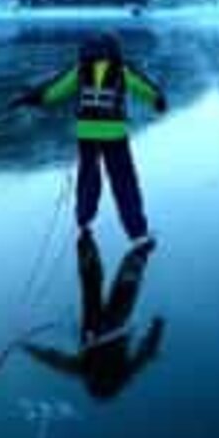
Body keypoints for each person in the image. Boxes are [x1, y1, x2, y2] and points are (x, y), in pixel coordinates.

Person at [12, 34, 167, 247]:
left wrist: (30, 98)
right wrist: (158, 100)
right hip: (115, 134)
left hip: (86, 134)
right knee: (124, 183)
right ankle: (137, 232)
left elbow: (54, 91)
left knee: (88, 178)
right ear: (113, 50)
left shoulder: (80, 70)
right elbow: (144, 88)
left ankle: (84, 220)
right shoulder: (121, 69)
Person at [23, 232, 165, 400]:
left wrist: (157, 327)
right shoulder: (87, 372)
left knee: (116, 288)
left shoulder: (119, 374)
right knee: (95, 289)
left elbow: (146, 353)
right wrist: (29, 349)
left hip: (111, 327)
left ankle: (128, 253)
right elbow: (55, 360)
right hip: (98, 329)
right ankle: (88, 247)